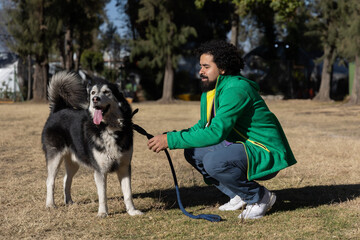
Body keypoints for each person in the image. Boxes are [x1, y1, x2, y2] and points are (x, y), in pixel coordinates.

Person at [147, 40, 297, 220]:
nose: (200, 71)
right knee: (194, 152)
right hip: (244, 146)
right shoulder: (212, 90)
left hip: (264, 150)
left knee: (213, 161)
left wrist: (171, 141)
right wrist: (172, 135)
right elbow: (204, 126)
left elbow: (216, 133)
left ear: (223, 68)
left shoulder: (236, 89)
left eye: (206, 66)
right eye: (200, 66)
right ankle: (239, 195)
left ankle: (259, 197)